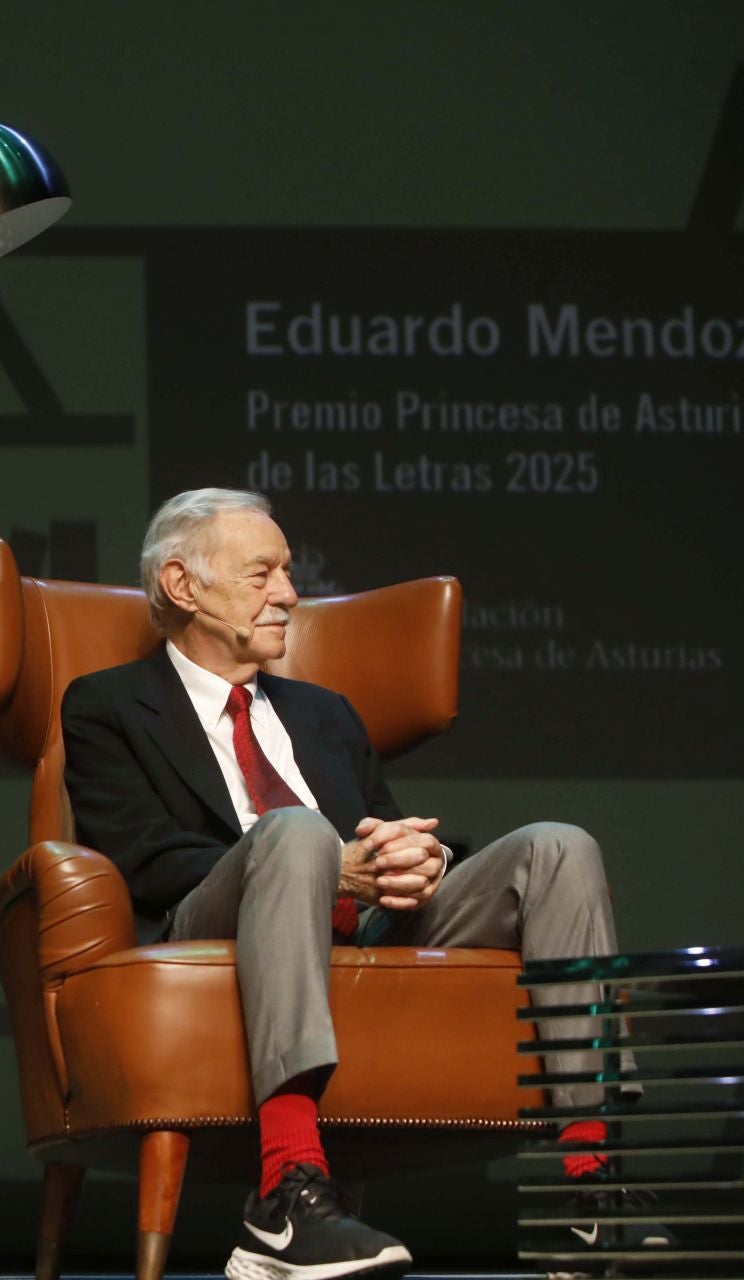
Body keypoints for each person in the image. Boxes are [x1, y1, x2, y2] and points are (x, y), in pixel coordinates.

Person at [60, 488, 646, 1280]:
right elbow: (142, 860)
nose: (289, 595)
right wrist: (310, 861)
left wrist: (420, 863)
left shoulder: (326, 712)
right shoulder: (107, 707)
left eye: (288, 573)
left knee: (559, 848)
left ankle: (593, 1191)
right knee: (298, 832)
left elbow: (382, 828)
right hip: (213, 916)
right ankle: (286, 1196)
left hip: (363, 920)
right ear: (180, 585)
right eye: (262, 573)